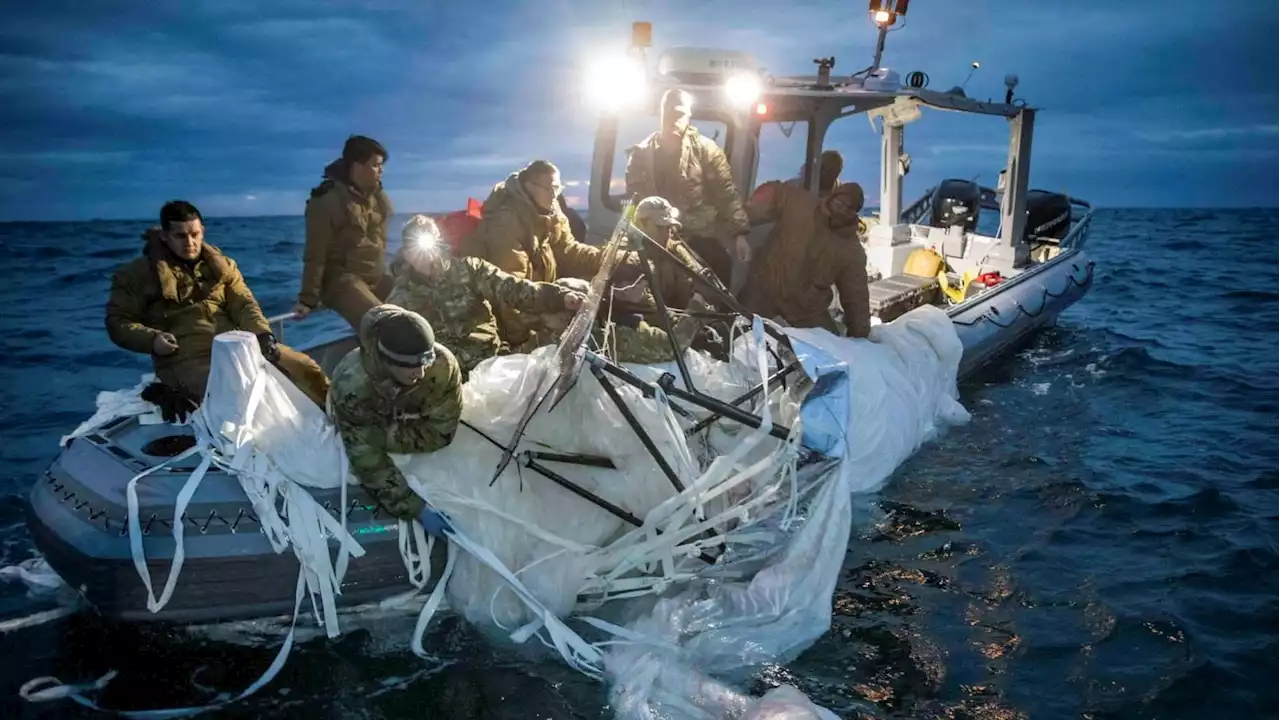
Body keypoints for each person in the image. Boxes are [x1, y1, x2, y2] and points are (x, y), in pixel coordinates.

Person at [105, 201, 330, 420]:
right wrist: (152, 340)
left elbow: (244, 304)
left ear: (203, 230)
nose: (190, 242)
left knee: (304, 367)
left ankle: (338, 419)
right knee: (237, 394)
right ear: (164, 236)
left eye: (194, 234)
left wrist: (263, 335)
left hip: (236, 346)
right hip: (184, 358)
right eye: (180, 236)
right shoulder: (135, 274)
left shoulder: (223, 266)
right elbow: (118, 321)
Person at [387, 215, 585, 379]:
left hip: (491, 363)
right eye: (414, 247)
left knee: (561, 323)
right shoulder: (400, 297)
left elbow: (512, 288)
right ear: (405, 252)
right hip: (445, 380)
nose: (424, 254)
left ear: (438, 244)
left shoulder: (470, 269)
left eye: (428, 244)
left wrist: (559, 297)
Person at [328, 305, 462, 533]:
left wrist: (390, 431)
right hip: (363, 415)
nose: (420, 374)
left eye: (424, 362)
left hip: (398, 416)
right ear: (387, 361)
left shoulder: (441, 366)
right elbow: (367, 458)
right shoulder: (351, 386)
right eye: (409, 366)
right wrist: (415, 508)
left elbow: (441, 433)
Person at [462, 159, 618, 352]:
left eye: (558, 188)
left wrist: (612, 258)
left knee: (585, 292)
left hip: (536, 300)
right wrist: (534, 333)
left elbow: (570, 251)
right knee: (572, 308)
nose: (555, 195)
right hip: (513, 321)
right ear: (529, 186)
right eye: (551, 188)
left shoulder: (549, 213)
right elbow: (509, 295)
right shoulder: (505, 223)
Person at [623, 89, 751, 289]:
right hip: (655, 237)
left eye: (680, 114)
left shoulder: (706, 151)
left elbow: (726, 193)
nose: (675, 120)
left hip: (697, 235)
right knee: (629, 273)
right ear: (662, 114)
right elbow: (632, 201)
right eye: (670, 114)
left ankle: (717, 318)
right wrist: (628, 232)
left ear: (689, 116)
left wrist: (739, 234)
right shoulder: (641, 155)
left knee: (718, 273)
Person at [742, 181, 872, 338]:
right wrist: (744, 214)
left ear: (855, 213)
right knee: (735, 328)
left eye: (849, 208)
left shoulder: (851, 251)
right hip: (764, 287)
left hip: (804, 308)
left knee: (832, 350)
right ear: (832, 197)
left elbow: (856, 297)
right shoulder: (801, 203)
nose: (843, 208)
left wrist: (860, 336)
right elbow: (775, 191)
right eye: (840, 202)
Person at [292, 135, 394, 330]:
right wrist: (307, 299)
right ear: (357, 166)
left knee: (416, 309)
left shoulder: (375, 196)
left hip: (375, 277)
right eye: (375, 165)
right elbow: (315, 253)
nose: (381, 171)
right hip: (342, 281)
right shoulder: (327, 200)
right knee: (385, 325)